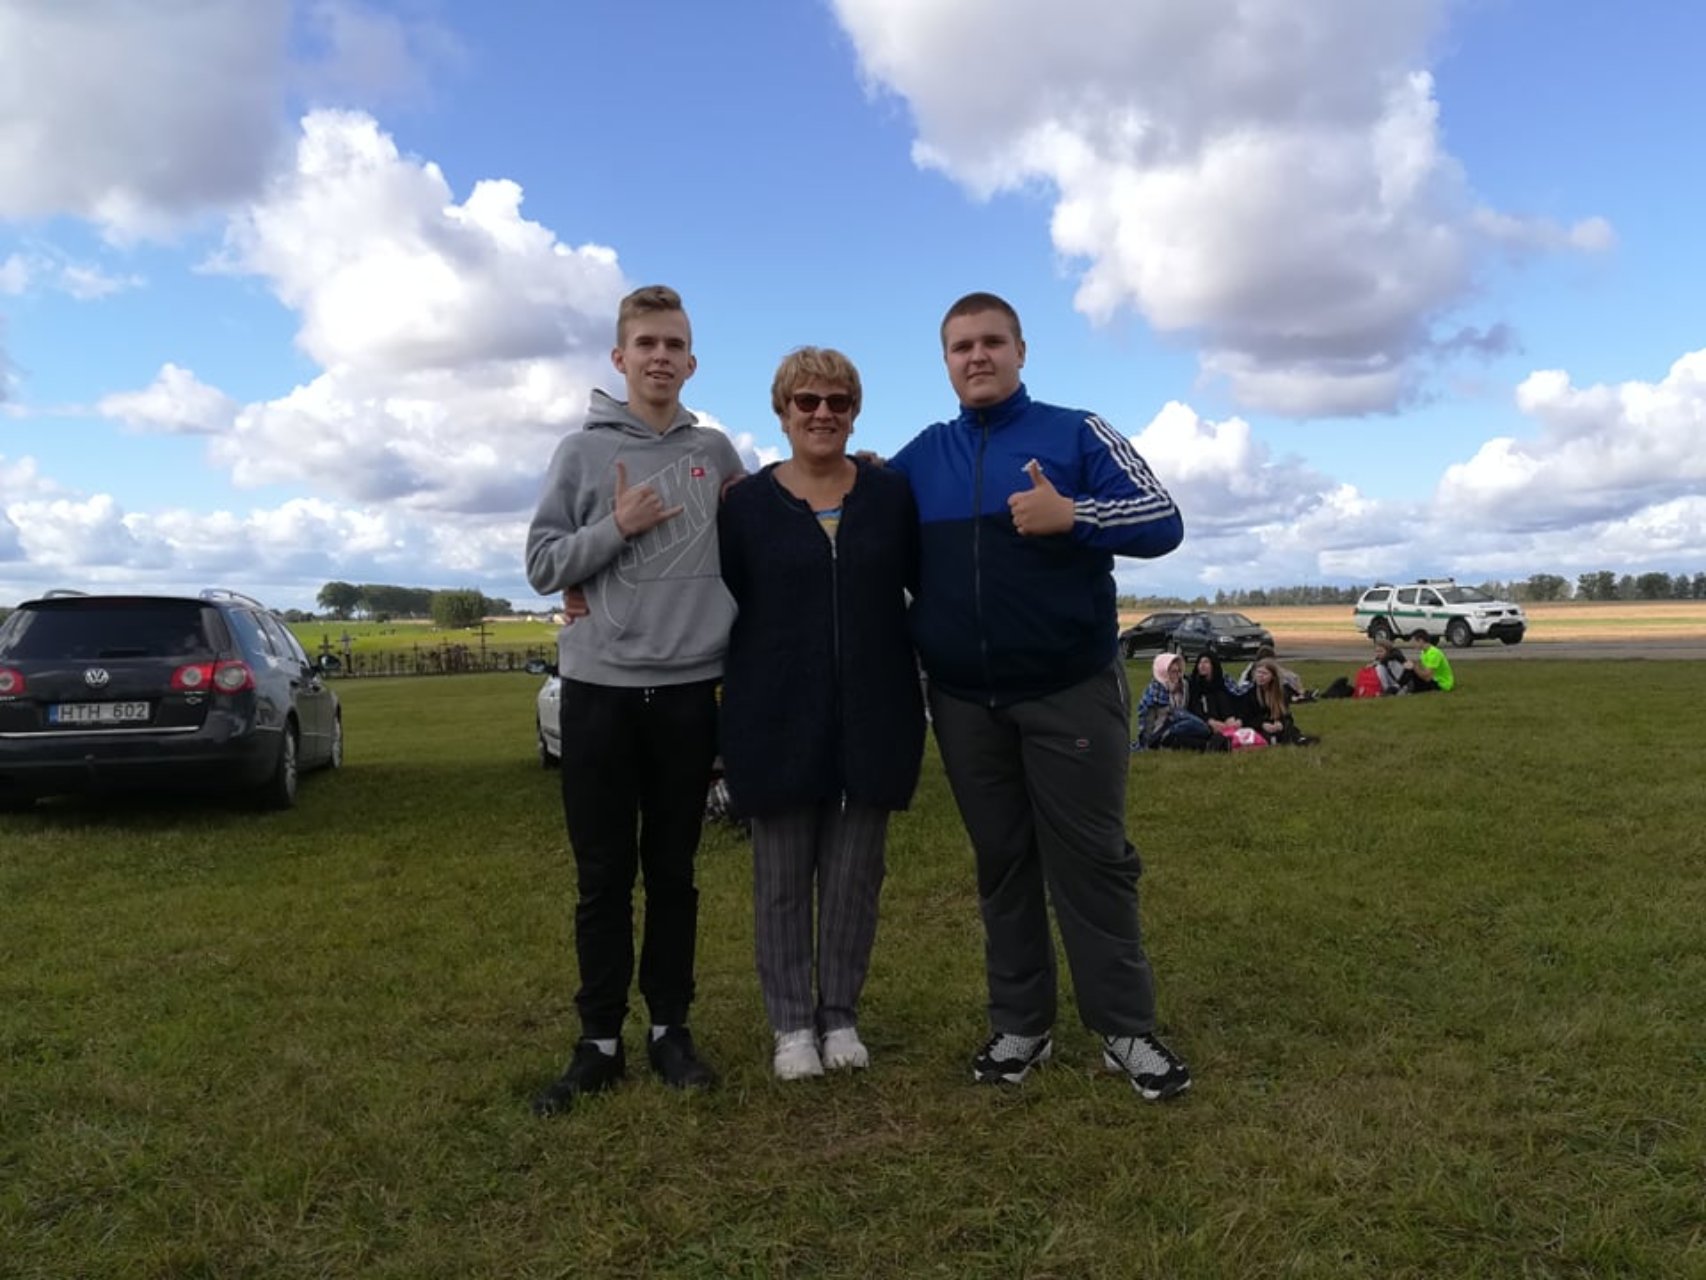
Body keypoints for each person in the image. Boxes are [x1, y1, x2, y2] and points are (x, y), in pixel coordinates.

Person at [891, 290, 1192, 1101]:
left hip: (1069, 691)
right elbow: (849, 514)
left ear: (1021, 351)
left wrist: (1074, 514)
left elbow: (1163, 517)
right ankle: (1022, 1025)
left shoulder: (1076, 432)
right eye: (962, 347)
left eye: (992, 342)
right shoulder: (923, 457)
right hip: (964, 702)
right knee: (1003, 865)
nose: (978, 356)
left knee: (1093, 861)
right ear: (945, 362)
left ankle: (1125, 1029)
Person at [523, 285, 745, 1114]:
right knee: (604, 877)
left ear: (692, 362)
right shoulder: (580, 454)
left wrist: (856, 474)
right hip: (599, 694)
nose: (660, 357)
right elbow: (543, 566)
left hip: (688, 692)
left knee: (675, 873)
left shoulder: (715, 452)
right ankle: (599, 1043)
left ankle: (669, 1031)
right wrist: (615, 526)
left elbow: (764, 530)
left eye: (674, 345)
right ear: (620, 358)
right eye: (646, 344)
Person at [718, 348, 925, 1081]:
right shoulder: (744, 506)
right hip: (774, 715)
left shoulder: (890, 495)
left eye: (837, 401)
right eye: (806, 401)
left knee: (853, 879)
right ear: (782, 412)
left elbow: (926, 582)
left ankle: (840, 1016)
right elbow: (713, 595)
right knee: (780, 882)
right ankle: (791, 1026)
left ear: (855, 412)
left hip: (876, 712)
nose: (822, 414)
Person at [1133, 652, 1225, 752]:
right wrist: (1147, 742)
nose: (1177, 675)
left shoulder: (1184, 686)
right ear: (1164, 672)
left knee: (1194, 731)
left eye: (1179, 671)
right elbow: (1148, 720)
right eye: (1173, 672)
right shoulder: (1155, 690)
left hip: (1179, 726)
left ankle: (1212, 744)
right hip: (1161, 729)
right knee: (1194, 725)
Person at [1243, 657, 1318, 745]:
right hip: (1258, 725)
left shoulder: (1280, 693)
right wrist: (1262, 724)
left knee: (1288, 728)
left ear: (1273, 676)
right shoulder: (1249, 692)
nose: (1260, 676)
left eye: (1265, 673)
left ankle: (1296, 739)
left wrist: (1280, 724)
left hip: (1274, 725)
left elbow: (1286, 716)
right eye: (1258, 672)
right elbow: (1246, 717)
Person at [1185, 651, 1247, 734]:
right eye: (1200, 662)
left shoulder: (1223, 683)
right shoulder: (1193, 685)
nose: (1202, 665)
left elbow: (1236, 700)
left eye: (1206, 662)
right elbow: (1194, 707)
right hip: (1205, 723)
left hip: (1225, 722)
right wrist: (1210, 721)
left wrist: (1236, 719)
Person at [1400, 628, 1455, 693]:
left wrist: (1415, 667)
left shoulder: (1434, 653)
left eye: (1414, 642)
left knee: (1411, 669)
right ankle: (1399, 687)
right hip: (1432, 680)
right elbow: (1424, 672)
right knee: (1409, 668)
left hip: (1441, 684)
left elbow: (1427, 677)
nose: (1412, 644)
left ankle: (1399, 688)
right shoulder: (1424, 652)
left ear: (1421, 640)